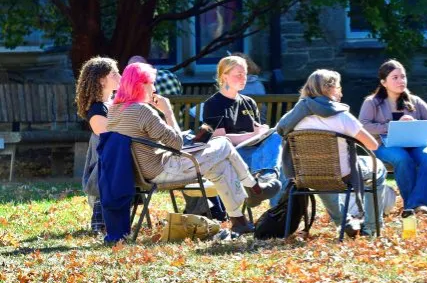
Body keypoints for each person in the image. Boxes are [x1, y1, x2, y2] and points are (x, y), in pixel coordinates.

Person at [106, 62, 264, 235]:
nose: (154, 88)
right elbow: (177, 143)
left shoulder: (114, 110)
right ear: (142, 84)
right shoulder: (142, 111)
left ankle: (239, 221)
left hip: (139, 173)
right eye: (152, 83)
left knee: (220, 166)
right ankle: (253, 186)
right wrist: (167, 112)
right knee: (223, 143)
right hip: (162, 170)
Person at [277, 69, 385, 237]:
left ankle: (344, 222)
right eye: (339, 87)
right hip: (342, 175)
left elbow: (280, 130)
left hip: (305, 175)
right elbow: (372, 145)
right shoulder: (342, 116)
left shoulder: (295, 117)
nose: (341, 92)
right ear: (329, 89)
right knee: (378, 168)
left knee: (321, 173)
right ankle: (371, 227)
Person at [358, 60, 427, 215]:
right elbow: (363, 126)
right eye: (395, 77)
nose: (401, 81)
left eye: (403, 77)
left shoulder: (415, 101)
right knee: (402, 158)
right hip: (384, 145)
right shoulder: (372, 102)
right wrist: (391, 126)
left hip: (415, 144)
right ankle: (412, 206)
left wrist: (416, 124)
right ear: (383, 82)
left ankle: (418, 206)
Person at [202, 55, 284, 205]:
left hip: (255, 152)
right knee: (280, 166)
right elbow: (219, 139)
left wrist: (262, 131)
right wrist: (252, 135)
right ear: (224, 76)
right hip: (232, 156)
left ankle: (268, 188)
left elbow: (256, 132)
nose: (244, 78)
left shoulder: (248, 102)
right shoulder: (212, 104)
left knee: (277, 137)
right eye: (238, 74)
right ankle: (267, 190)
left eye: (245, 74)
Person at [75, 56, 121, 233]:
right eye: (114, 74)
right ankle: (102, 218)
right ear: (102, 80)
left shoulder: (113, 103)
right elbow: (108, 142)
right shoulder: (97, 110)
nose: (120, 77)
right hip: (106, 163)